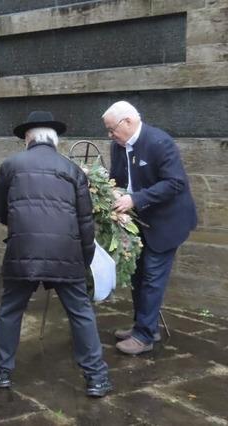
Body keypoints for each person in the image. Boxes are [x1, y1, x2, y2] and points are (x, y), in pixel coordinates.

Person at [0, 111, 112, 397]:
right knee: (80, 313)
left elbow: (0, 210)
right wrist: (86, 258)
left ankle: (1, 370)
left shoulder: (10, 166)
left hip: (22, 251)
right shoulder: (73, 171)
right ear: (54, 140)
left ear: (28, 139)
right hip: (66, 253)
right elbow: (85, 221)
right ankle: (97, 378)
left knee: (10, 310)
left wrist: (20, 225)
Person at [103, 101, 197, 355]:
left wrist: (135, 199)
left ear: (128, 122)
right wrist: (108, 193)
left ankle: (144, 337)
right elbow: (117, 178)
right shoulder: (118, 145)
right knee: (137, 274)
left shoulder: (159, 142)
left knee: (153, 278)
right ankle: (143, 326)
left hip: (167, 223)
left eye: (112, 129)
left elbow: (175, 183)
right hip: (139, 223)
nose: (110, 135)